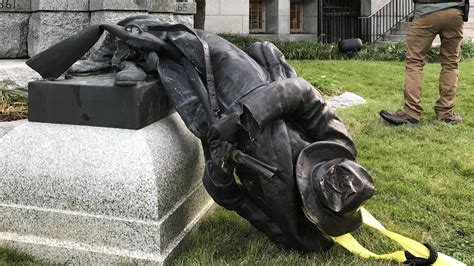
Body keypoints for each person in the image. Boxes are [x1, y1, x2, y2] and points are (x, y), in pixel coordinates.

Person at [26, 16, 375, 252]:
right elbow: (299, 92)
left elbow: (233, 199)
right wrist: (244, 114)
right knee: (179, 36)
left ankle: (127, 59)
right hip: (252, 91)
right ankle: (113, 42)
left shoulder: (294, 230)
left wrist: (220, 171)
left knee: (170, 70)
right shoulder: (338, 148)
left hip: (216, 134)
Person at [380, 0, 466, 125]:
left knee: (414, 62)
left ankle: (411, 113)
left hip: (426, 12)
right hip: (454, 13)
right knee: (451, 64)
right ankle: (445, 112)